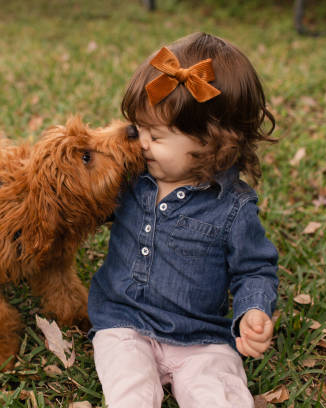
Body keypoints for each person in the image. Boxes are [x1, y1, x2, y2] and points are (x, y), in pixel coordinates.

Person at [88, 32, 279, 408]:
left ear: (212, 143)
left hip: (201, 337)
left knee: (219, 393)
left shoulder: (233, 208)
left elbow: (255, 269)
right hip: (123, 323)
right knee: (128, 392)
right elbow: (86, 208)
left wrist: (253, 310)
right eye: (138, 128)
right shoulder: (131, 180)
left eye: (155, 135)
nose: (140, 142)